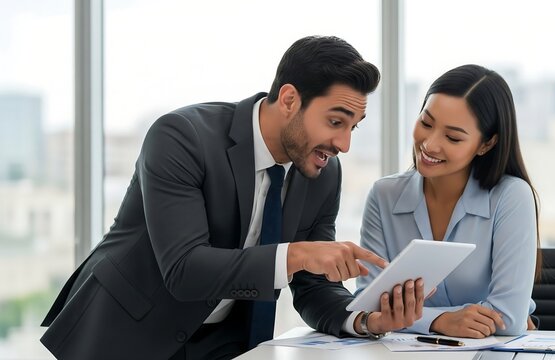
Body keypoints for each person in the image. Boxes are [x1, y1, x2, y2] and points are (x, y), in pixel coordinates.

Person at [40, 35, 425, 360]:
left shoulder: (322, 173)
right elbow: (184, 270)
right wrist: (298, 253)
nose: (343, 143)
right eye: (335, 122)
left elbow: (312, 284)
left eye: (353, 127)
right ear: (290, 100)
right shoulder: (182, 137)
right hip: (123, 335)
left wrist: (364, 320)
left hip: (226, 344)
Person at [356, 64, 540, 338]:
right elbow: (367, 308)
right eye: (426, 123)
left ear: (486, 144)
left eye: (452, 137)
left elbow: (509, 319)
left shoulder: (511, 197)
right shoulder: (384, 195)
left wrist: (406, 317)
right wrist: (442, 320)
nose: (429, 144)